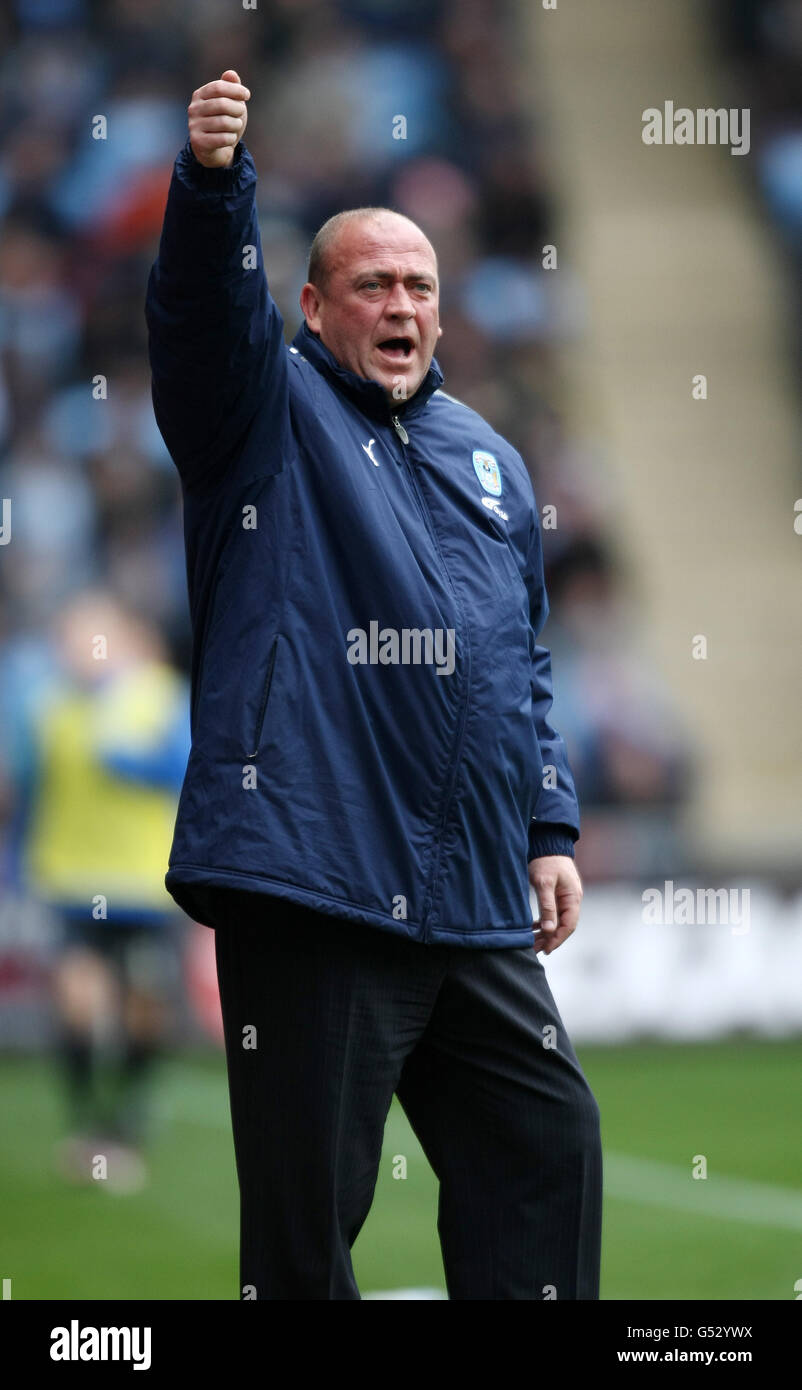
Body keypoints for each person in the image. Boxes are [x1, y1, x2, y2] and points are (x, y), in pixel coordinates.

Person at [145, 70, 602, 1299]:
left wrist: (548, 823)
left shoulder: (492, 460)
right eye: (371, 285)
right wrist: (211, 186)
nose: (400, 305)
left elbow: (522, 660)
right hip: (314, 871)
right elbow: (198, 316)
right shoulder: (258, 413)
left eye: (419, 287)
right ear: (311, 306)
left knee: (546, 1143)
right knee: (307, 1225)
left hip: (468, 888)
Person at [19, 590, 190, 1192]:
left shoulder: (158, 699)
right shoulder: (51, 709)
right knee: (79, 1001)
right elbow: (33, 792)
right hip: (70, 882)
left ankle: (128, 1122)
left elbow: (185, 770)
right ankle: (88, 1126)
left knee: (144, 1008)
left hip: (144, 886)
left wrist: (122, 757)